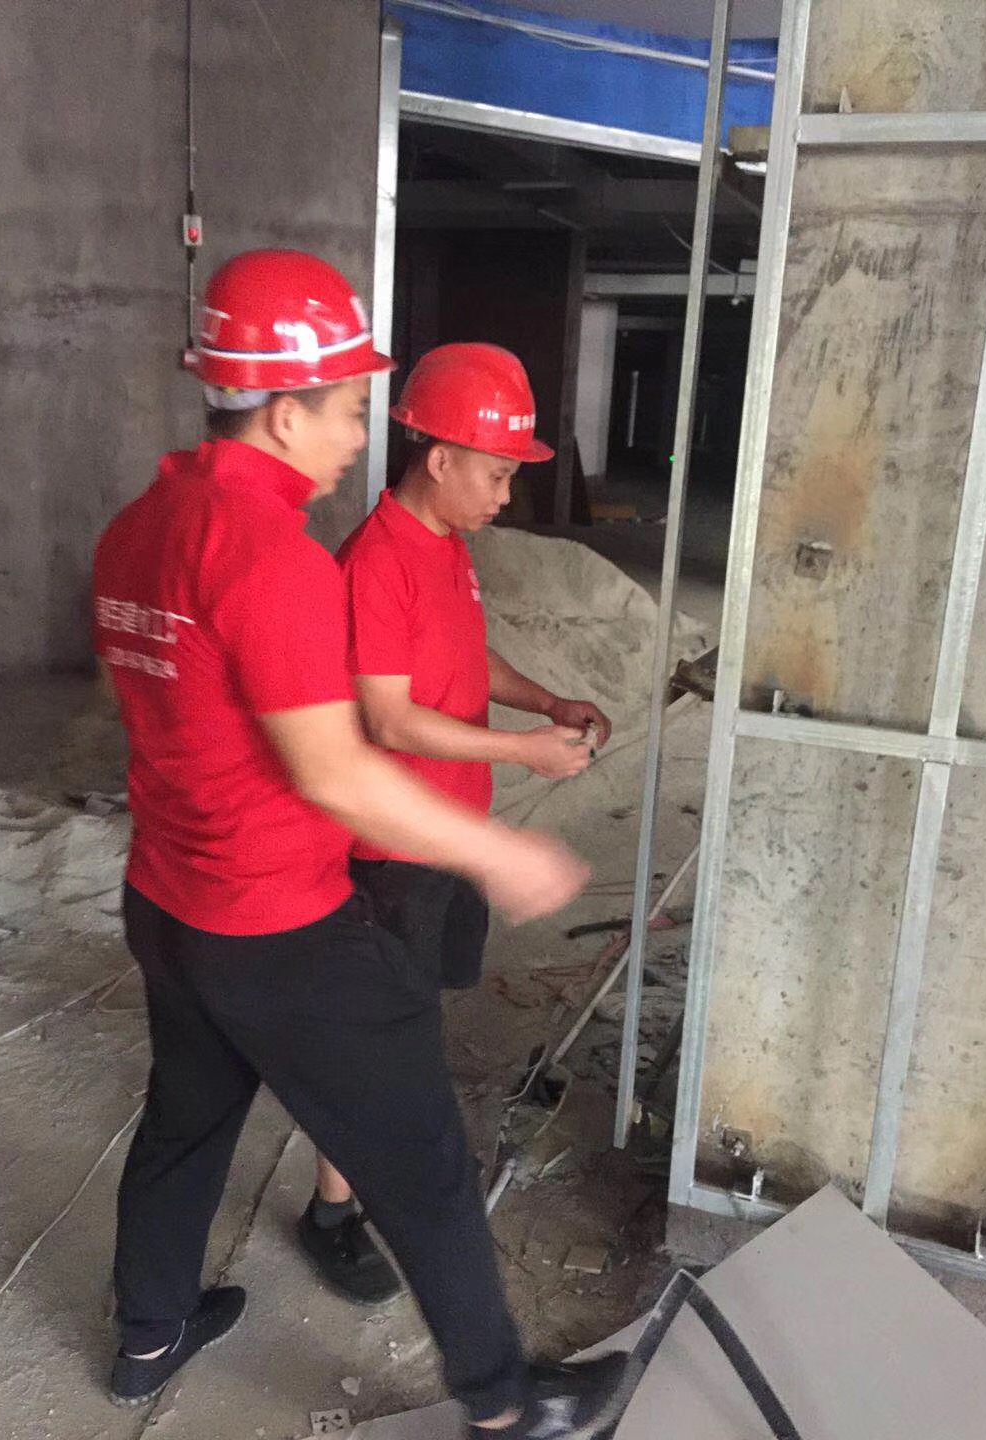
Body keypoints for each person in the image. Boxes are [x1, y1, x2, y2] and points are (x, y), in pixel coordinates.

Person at [93, 249, 624, 1438]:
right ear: (284, 412)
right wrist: (497, 852)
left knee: (186, 1120)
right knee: (422, 1154)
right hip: (277, 922)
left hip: (166, 899)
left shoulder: (139, 527)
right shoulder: (271, 557)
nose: (354, 437)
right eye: (344, 410)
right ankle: (509, 1403)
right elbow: (337, 768)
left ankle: (150, 1333)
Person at [297, 344, 612, 1307]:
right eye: (497, 473)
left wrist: (546, 701)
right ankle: (332, 1213)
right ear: (439, 459)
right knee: (369, 1040)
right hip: (391, 851)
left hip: (444, 837)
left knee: (409, 1026)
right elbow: (389, 719)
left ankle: (383, 1174)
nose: (506, 495)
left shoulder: (444, 545)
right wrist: (523, 752)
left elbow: (468, 661)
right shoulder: (377, 560)